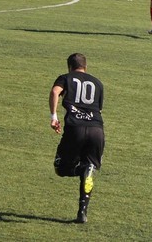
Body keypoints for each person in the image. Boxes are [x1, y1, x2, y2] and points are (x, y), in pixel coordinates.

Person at [49, 53, 105, 224]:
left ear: (69, 67)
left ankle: (81, 170)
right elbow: (99, 109)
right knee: (90, 167)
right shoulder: (98, 83)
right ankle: (82, 213)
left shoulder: (65, 78)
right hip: (97, 130)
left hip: (75, 128)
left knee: (60, 168)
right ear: (85, 66)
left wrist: (54, 117)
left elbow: (55, 92)